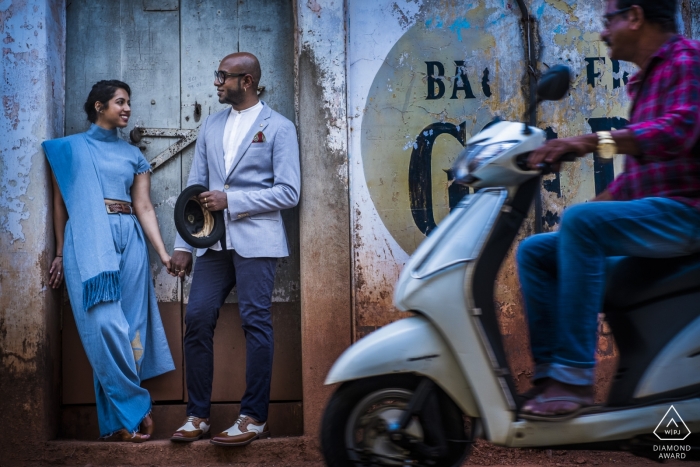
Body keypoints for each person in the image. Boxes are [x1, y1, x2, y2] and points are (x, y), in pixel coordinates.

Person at [517, 0, 700, 421]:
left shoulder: (686, 60)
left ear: (635, 17)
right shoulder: (645, 81)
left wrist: (590, 141)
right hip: (663, 212)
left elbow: (680, 129)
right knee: (538, 251)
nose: (603, 32)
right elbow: (638, 181)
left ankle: (574, 380)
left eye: (608, 21)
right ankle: (549, 378)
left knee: (581, 224)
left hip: (688, 214)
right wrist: (589, 210)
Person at [169, 52, 300, 445]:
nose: (216, 83)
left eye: (223, 76)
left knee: (255, 322)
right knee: (197, 318)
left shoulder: (279, 128)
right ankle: (198, 416)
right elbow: (195, 185)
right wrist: (183, 246)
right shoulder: (211, 124)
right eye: (218, 74)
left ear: (247, 81)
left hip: (257, 241)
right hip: (211, 243)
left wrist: (234, 201)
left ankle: (254, 417)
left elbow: (289, 192)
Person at [43, 80, 175, 441]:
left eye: (129, 102)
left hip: (128, 238)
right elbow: (60, 205)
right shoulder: (69, 149)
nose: (128, 108)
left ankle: (117, 424)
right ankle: (135, 407)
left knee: (131, 329)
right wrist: (58, 251)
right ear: (99, 106)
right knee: (105, 326)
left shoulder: (134, 155)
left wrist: (162, 252)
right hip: (87, 240)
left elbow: (144, 206)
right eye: (121, 102)